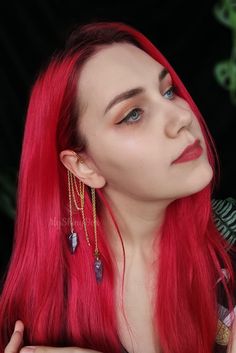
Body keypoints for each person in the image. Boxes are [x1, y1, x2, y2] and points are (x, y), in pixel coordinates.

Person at [0, 21, 236, 353]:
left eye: (168, 91)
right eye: (133, 114)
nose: (180, 116)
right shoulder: (41, 303)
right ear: (83, 166)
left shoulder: (230, 245)